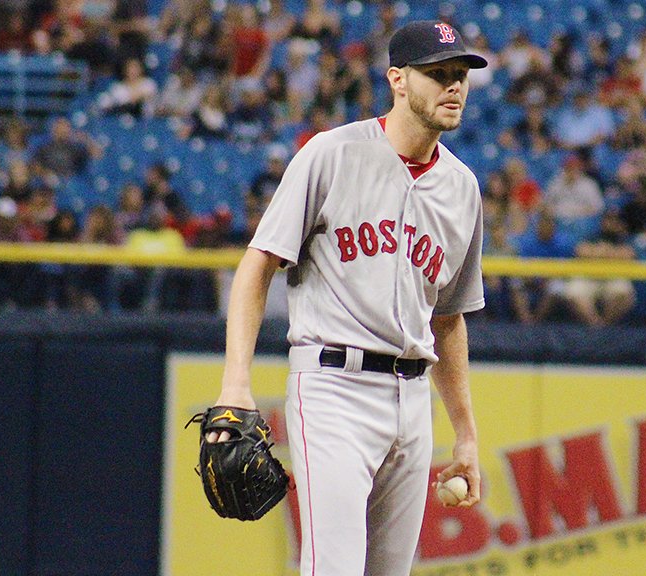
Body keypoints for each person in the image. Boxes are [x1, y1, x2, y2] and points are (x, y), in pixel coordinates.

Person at [207, 20, 487, 575]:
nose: (453, 87)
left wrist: (466, 435)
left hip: (413, 400)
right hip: (334, 388)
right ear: (398, 81)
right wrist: (235, 385)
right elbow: (256, 266)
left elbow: (448, 320)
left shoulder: (462, 188)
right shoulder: (330, 155)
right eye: (438, 75)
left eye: (460, 75)